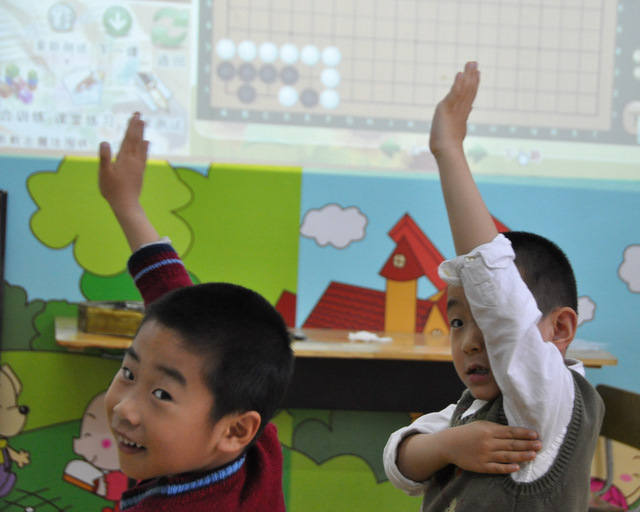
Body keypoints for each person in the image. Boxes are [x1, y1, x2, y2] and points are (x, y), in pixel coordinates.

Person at [383, 62, 604, 511]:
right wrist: (446, 445)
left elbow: (497, 290)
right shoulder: (473, 407)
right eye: (458, 322)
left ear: (560, 330)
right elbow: (399, 460)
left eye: (487, 322)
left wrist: (448, 150)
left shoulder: (548, 399)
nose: (469, 341)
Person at [98, 113, 294, 512]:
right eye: (129, 373)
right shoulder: (252, 447)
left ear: (235, 430)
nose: (124, 408)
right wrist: (126, 204)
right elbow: (172, 298)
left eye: (161, 394)